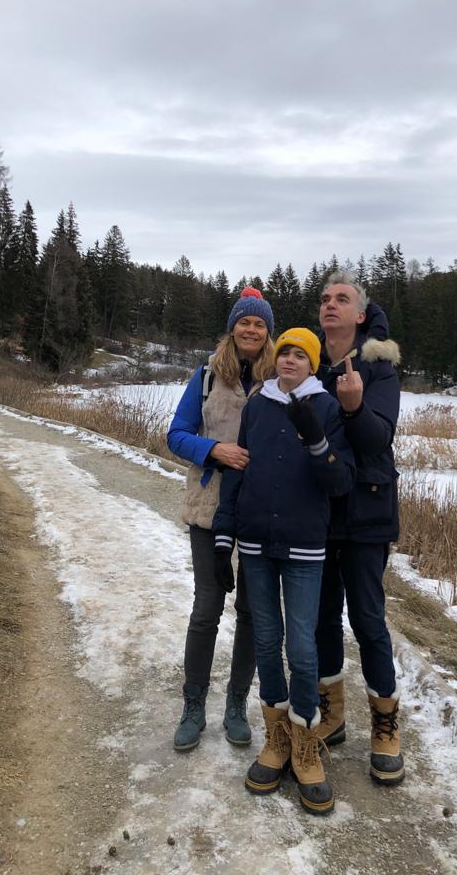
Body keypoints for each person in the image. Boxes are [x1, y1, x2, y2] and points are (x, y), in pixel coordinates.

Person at [213, 328, 354, 816]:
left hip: (304, 547)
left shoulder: (327, 407)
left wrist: (315, 439)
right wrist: (224, 535)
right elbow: (238, 470)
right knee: (267, 642)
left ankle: (306, 744)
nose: (290, 360)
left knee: (302, 648)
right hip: (256, 544)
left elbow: (340, 482)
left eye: (301, 355)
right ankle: (276, 739)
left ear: (313, 365)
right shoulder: (257, 406)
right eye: (285, 353)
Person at [166, 287, 275, 751]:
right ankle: (193, 706)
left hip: (259, 511)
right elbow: (176, 434)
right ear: (232, 328)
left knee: (251, 612)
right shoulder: (207, 376)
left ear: (268, 332)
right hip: (208, 507)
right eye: (244, 321)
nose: (251, 329)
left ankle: (236, 704)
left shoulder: (279, 379)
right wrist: (215, 450)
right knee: (207, 607)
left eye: (259, 323)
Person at [314, 270, 405, 785]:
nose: (330, 305)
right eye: (325, 299)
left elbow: (378, 440)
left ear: (360, 314)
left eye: (341, 299)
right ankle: (332, 714)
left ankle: (385, 724)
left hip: (367, 513)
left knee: (368, 619)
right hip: (318, 513)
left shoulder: (378, 368)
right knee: (322, 617)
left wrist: (353, 406)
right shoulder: (309, 364)